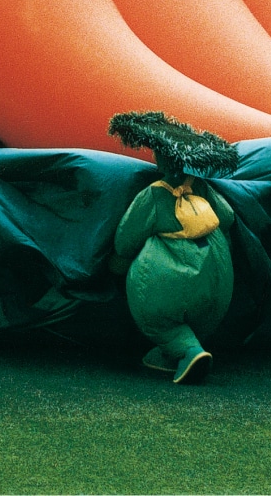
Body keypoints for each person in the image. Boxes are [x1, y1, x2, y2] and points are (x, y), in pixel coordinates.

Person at [109, 111, 238, 385]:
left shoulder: (155, 193)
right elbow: (227, 217)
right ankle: (185, 352)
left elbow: (126, 238)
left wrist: (116, 265)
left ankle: (190, 351)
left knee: (157, 318)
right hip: (219, 276)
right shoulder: (201, 187)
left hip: (170, 281)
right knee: (198, 319)